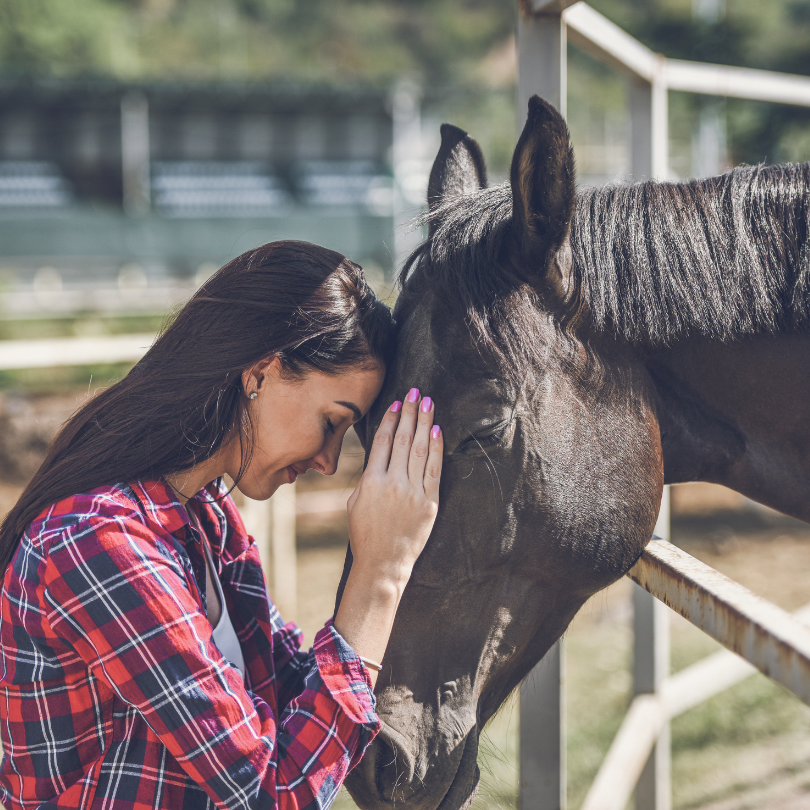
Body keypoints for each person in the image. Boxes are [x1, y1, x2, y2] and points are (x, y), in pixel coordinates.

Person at [0, 241, 443, 810]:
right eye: (332, 422)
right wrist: (379, 575)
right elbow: (275, 793)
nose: (329, 462)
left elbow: (289, 695)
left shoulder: (205, 521)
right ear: (262, 370)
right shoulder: (99, 544)